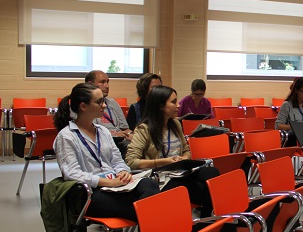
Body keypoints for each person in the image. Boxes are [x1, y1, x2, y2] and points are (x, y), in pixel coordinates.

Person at [53, 83, 159, 222]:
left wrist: (123, 171)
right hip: (91, 192)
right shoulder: (66, 136)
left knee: (149, 185)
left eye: (103, 101)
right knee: (146, 207)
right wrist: (109, 182)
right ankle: (154, 228)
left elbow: (117, 160)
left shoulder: (103, 131)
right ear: (83, 106)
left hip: (116, 184)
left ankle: (151, 227)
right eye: (99, 102)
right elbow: (72, 174)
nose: (104, 105)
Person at [125, 85, 219, 217]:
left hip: (181, 172)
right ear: (161, 106)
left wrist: (184, 159)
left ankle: (207, 218)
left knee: (212, 173)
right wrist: (165, 162)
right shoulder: (144, 129)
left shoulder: (175, 124)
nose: (178, 106)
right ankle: (206, 219)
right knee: (202, 191)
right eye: (173, 102)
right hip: (161, 177)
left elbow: (186, 150)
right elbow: (131, 162)